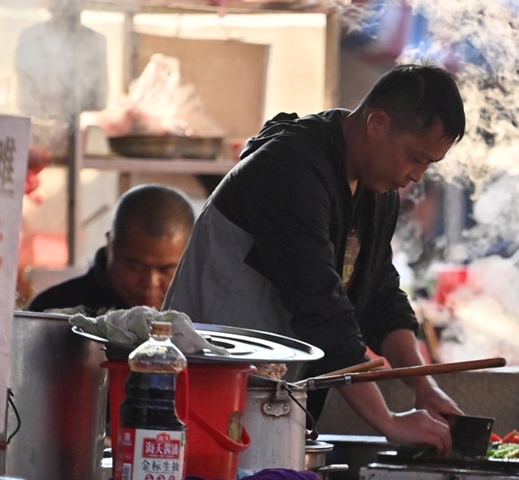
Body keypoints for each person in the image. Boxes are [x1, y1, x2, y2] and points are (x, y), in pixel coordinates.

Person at [163, 63, 466, 453]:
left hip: (268, 402)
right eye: (414, 157)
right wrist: (388, 421)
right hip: (205, 394)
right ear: (376, 123)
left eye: (428, 164)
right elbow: (321, 309)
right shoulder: (290, 169)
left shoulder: (378, 190)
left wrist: (423, 385)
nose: (417, 176)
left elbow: (380, 294)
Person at [27, 184, 195, 315]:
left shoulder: (203, 313)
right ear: (110, 247)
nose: (151, 283)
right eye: (135, 267)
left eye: (168, 270)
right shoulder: (55, 311)